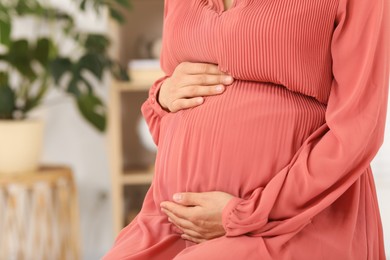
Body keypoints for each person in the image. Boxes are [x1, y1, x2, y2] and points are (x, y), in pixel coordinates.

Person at [104, 0, 389, 259]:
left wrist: (247, 212)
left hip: (293, 224)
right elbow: (171, 101)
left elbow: (358, 130)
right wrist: (163, 95)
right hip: (170, 224)